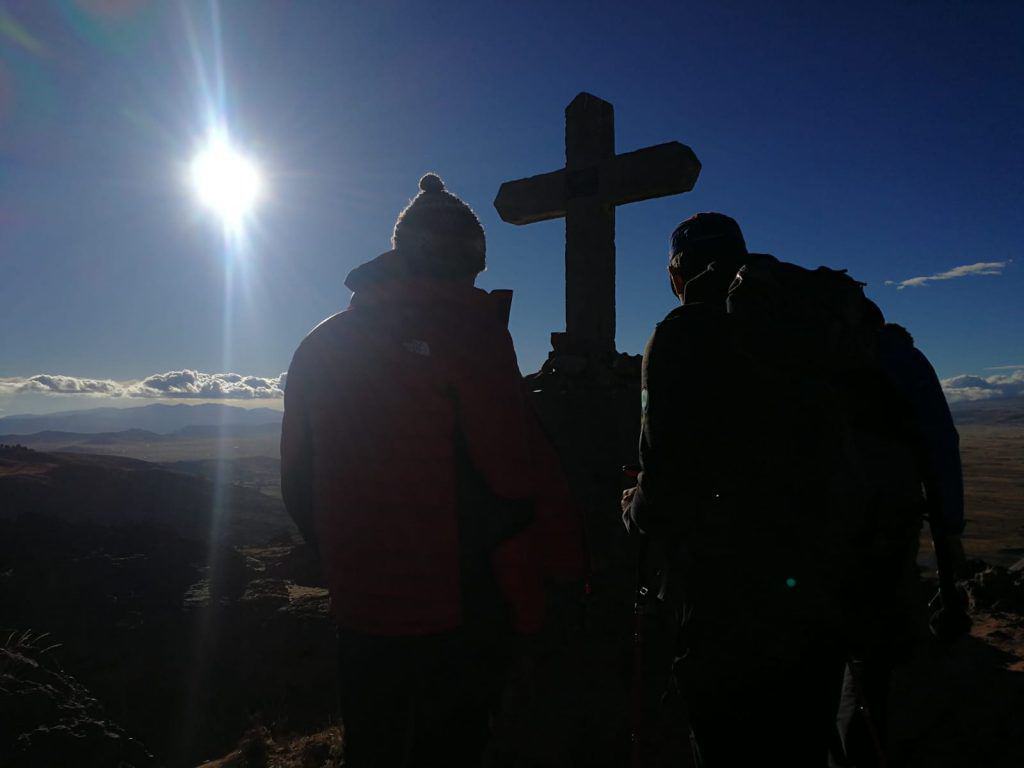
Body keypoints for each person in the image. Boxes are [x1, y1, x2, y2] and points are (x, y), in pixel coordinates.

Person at [622, 211, 965, 766]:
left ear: (676, 275)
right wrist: (949, 553)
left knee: (727, 733)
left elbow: (665, 483)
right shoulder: (823, 328)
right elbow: (934, 441)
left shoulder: (681, 335)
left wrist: (633, 509)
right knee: (820, 718)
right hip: (835, 563)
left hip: (728, 584)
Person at [281, 173, 583, 768]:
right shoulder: (470, 332)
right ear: (470, 259)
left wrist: (350, 558)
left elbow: (297, 481)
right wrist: (561, 583)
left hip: (363, 608)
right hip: (460, 608)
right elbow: (514, 478)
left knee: (375, 745)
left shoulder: (320, 344)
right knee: (450, 745)